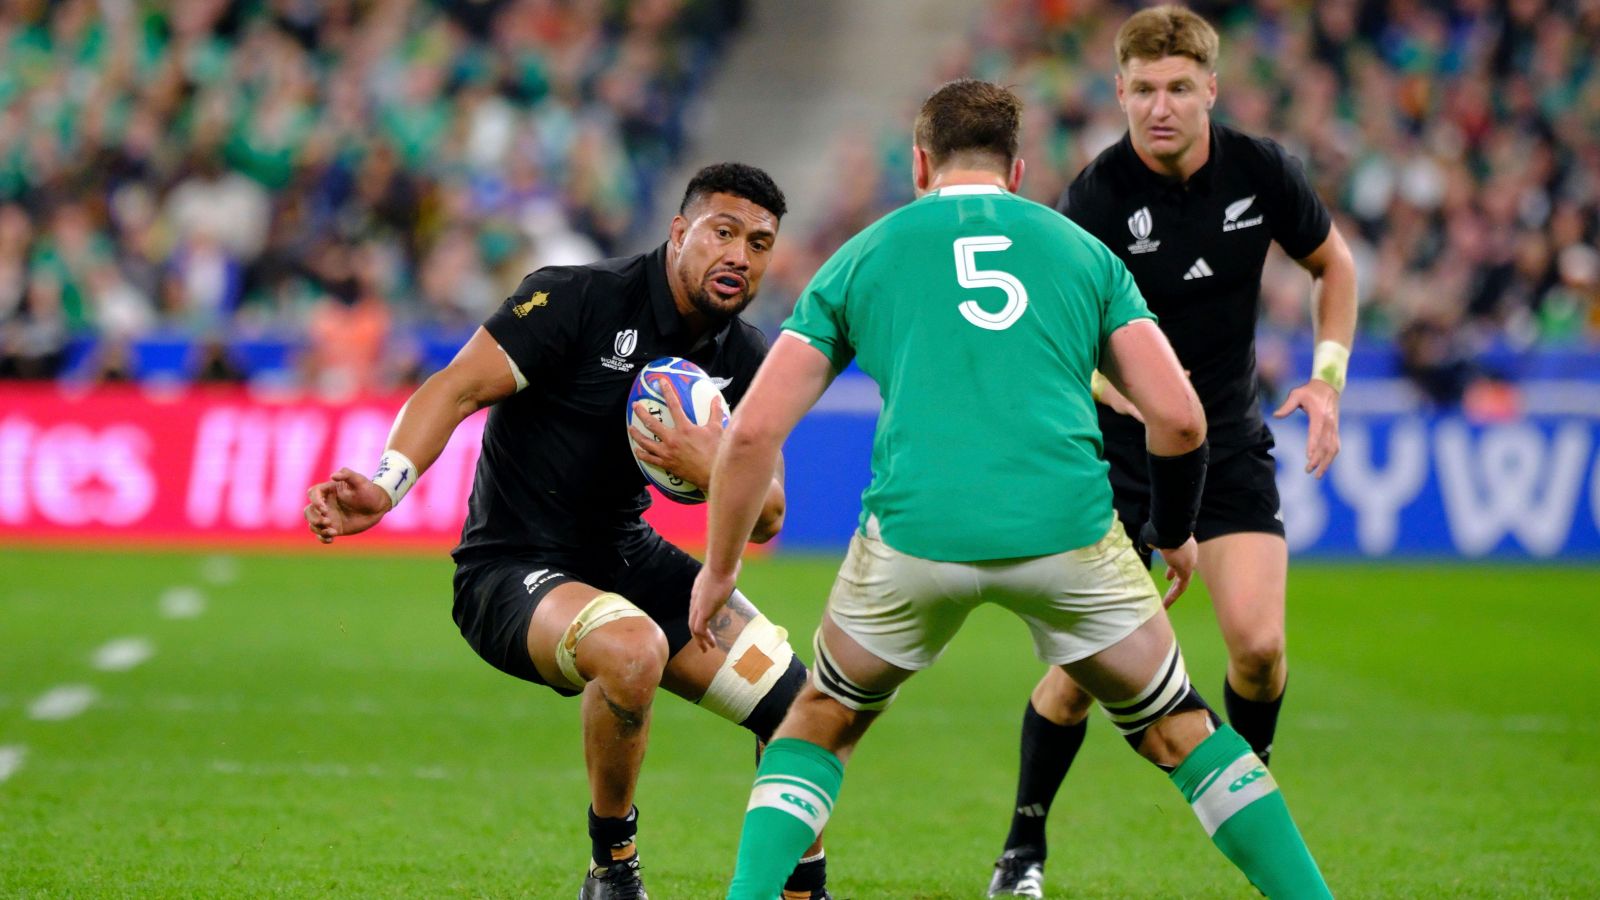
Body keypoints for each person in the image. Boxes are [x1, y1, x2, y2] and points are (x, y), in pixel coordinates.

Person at [690, 79, 1332, 900]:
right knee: (1178, 729)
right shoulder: (1081, 252)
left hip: (917, 536)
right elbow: (1179, 419)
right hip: (1065, 531)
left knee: (822, 718)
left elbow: (749, 433)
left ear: (920, 164)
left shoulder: (864, 254)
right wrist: (1173, 532)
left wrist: (720, 569)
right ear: (1018, 170)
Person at [303, 163, 832, 900]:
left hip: (625, 555)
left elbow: (769, 514)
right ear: (679, 233)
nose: (740, 255)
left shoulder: (746, 358)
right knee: (632, 648)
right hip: (511, 569)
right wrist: (387, 485)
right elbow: (454, 386)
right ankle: (613, 868)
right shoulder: (575, 299)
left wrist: (709, 464)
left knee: (801, 706)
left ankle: (801, 886)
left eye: (760, 242)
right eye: (723, 231)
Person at [987, 7, 1359, 896]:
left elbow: (1333, 267)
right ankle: (1022, 850)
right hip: (1116, 459)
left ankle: (1244, 792)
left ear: (1211, 90)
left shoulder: (1262, 171)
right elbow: (1055, 339)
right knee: (1080, 680)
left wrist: (1328, 377)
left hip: (1226, 441)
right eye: (1144, 89)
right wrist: (1113, 389)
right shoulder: (1097, 197)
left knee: (1260, 649)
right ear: (1119, 91)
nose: (1161, 106)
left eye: (1180, 88)